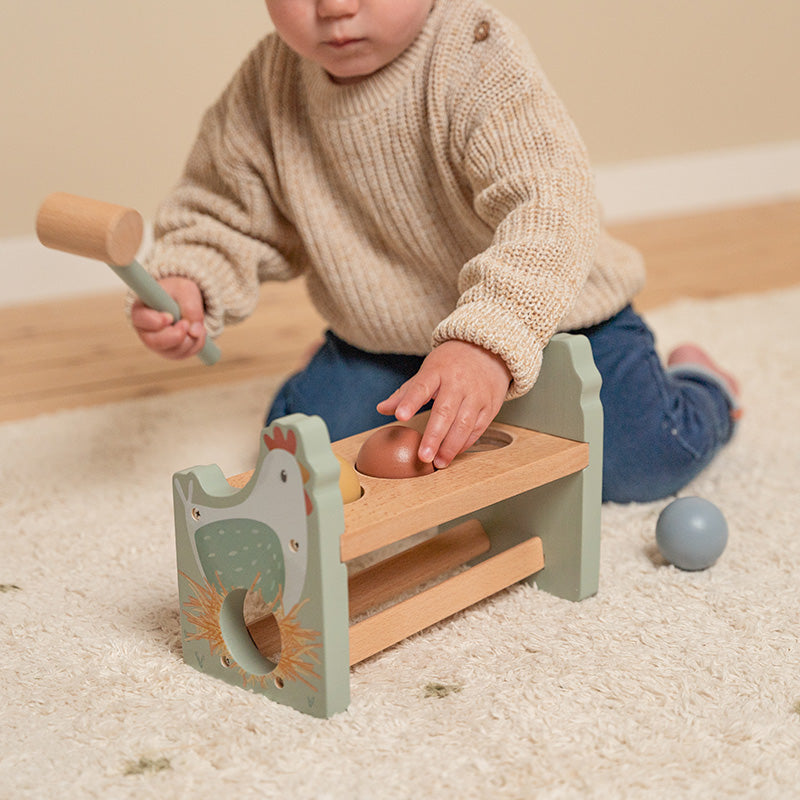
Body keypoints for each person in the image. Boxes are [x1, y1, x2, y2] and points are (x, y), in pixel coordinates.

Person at [131, 0, 740, 503]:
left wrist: (485, 341)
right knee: (306, 458)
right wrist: (191, 281)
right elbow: (223, 209)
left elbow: (550, 206)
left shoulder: (474, 52)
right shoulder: (267, 85)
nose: (337, 8)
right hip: (390, 338)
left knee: (647, 458)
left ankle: (702, 382)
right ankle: (337, 360)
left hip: (551, 316)